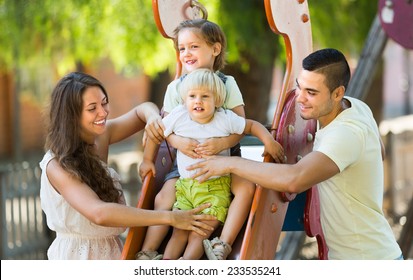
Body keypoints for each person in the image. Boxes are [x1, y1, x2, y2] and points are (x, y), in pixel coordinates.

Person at [187, 48, 404, 260]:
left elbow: (294, 180)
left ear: (338, 93)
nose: (300, 98)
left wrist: (230, 164)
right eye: (300, 88)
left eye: (311, 93)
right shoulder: (356, 107)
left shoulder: (346, 134)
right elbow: (380, 152)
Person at [137, 19, 285, 260]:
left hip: (225, 162)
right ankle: (147, 251)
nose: (186, 53)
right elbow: (164, 130)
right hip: (185, 164)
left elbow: (241, 126)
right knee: (163, 196)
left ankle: (222, 245)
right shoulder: (175, 88)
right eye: (182, 48)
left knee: (246, 188)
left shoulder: (226, 85)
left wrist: (222, 144)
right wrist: (177, 144)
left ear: (215, 49)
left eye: (194, 46)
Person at [39, 72, 217, 260]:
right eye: (92, 108)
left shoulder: (100, 137)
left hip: (112, 252)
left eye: (104, 102)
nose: (103, 112)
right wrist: (170, 217)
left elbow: (143, 110)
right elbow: (99, 213)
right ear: (71, 116)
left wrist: (152, 119)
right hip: (76, 257)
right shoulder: (56, 164)